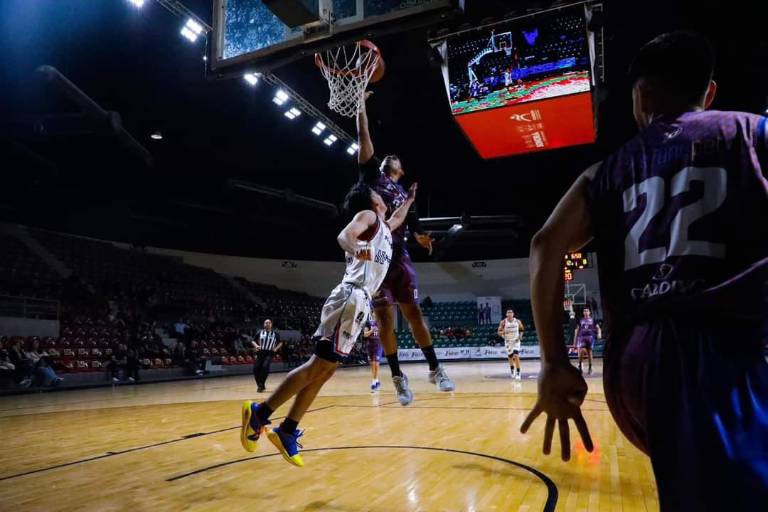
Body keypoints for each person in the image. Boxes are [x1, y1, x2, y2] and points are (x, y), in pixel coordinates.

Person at [520, 32, 768, 510]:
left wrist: (552, 362)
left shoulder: (605, 171)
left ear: (640, 96)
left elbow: (545, 244)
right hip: (716, 353)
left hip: (637, 365)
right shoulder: (747, 132)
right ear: (709, 92)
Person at [240, 180, 415, 467]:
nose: (383, 198)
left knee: (327, 368)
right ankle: (259, 413)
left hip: (359, 301)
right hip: (351, 296)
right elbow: (345, 236)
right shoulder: (368, 216)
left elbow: (397, 218)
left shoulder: (384, 227)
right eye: (378, 195)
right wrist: (355, 248)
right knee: (319, 365)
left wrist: (408, 200)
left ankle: (287, 429)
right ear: (372, 202)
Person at [357, 92, 455, 405]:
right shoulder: (373, 177)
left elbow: (412, 227)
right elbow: (365, 140)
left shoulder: (404, 195)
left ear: (401, 168)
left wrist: (423, 237)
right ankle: (398, 378)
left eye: (394, 159)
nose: (389, 158)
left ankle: (435, 369)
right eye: (387, 158)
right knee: (385, 323)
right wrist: (361, 107)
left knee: (414, 316)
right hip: (376, 262)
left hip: (399, 260)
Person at [250, 319, 282, 392]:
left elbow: (280, 342)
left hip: (269, 353)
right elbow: (253, 340)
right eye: (266, 323)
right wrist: (256, 346)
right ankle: (260, 385)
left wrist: (276, 348)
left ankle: (261, 385)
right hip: (260, 352)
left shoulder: (275, 333)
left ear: (271, 324)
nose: (267, 324)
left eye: (269, 323)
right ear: (264, 325)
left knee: (265, 367)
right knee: (255, 369)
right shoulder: (260, 332)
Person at [572, 307, 601, 375]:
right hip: (582, 338)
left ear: (589, 312)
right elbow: (576, 330)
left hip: (590, 338)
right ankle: (580, 365)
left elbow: (598, 328)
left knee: (590, 352)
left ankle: (590, 367)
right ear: (583, 312)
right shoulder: (580, 320)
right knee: (582, 351)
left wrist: (599, 333)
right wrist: (574, 341)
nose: (586, 312)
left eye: (587, 311)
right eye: (584, 311)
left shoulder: (593, 320)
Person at [498, 309, 524, 380]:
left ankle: (518, 372)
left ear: (513, 314)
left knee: (516, 355)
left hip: (516, 341)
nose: (510, 314)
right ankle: (512, 369)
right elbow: (499, 332)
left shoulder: (517, 321)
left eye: (511, 312)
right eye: (508, 312)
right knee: (510, 356)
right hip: (508, 341)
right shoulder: (503, 322)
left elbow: (522, 329)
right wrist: (502, 332)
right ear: (506, 314)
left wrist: (520, 336)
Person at [363, 317, 383, 392]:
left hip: (378, 344)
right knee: (372, 364)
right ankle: (376, 380)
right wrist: (372, 330)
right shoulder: (368, 322)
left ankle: (374, 381)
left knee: (376, 363)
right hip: (370, 345)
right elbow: (365, 334)